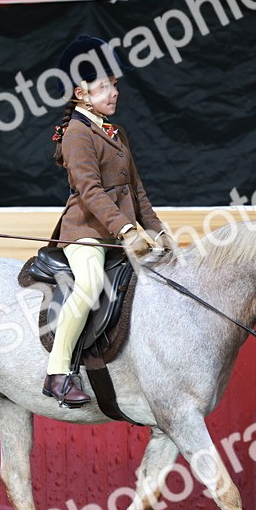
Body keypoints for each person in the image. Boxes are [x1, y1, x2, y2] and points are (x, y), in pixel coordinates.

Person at [43, 35, 175, 408]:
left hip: (122, 233)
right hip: (87, 233)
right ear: (80, 93)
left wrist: (159, 232)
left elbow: (138, 192)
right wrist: (126, 229)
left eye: (114, 84)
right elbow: (91, 191)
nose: (114, 92)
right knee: (87, 285)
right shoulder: (76, 134)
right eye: (105, 86)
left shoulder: (116, 133)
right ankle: (58, 372)